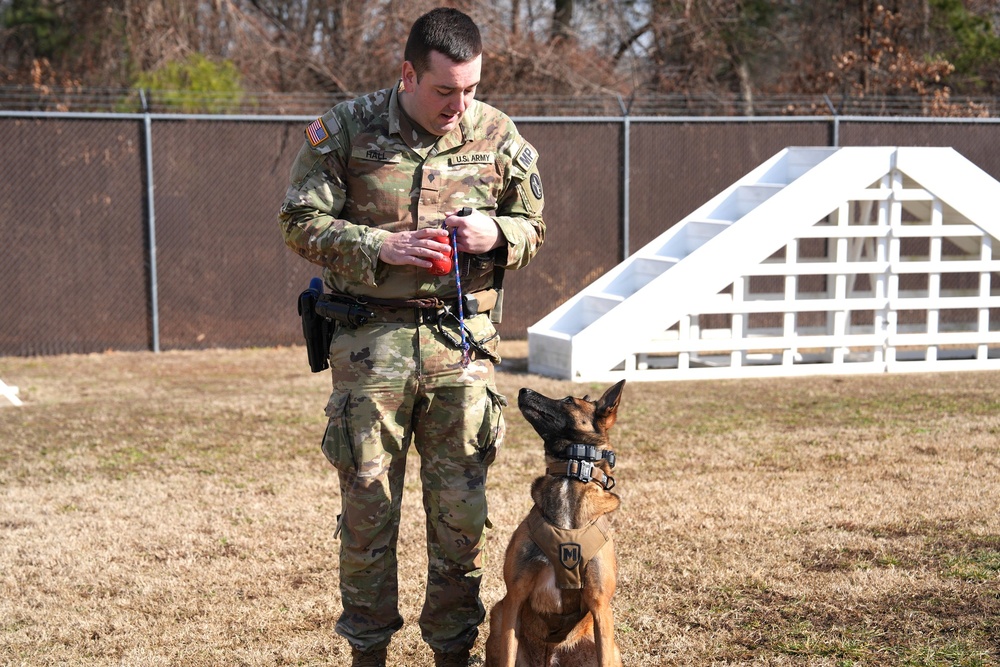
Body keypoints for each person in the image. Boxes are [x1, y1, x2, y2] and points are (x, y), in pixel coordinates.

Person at [278, 7, 545, 667]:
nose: (459, 104)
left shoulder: (499, 137)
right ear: (407, 74)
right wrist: (385, 245)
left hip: (462, 350)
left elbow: (533, 225)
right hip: (372, 348)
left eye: (471, 89)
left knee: (461, 519)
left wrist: (497, 234)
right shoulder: (345, 129)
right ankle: (367, 653)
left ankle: (453, 653)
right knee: (368, 515)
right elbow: (298, 219)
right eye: (444, 90)